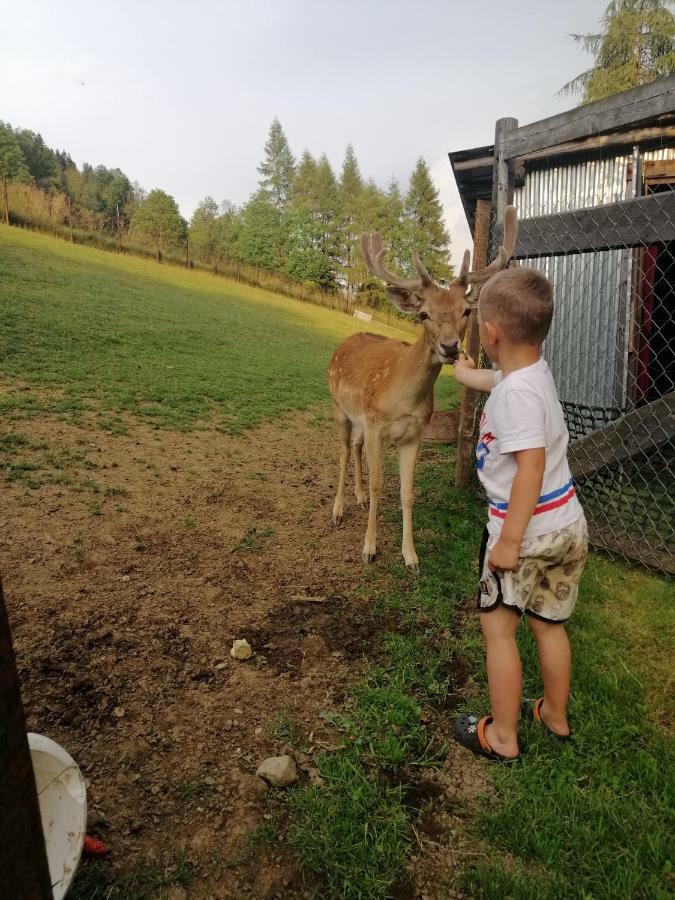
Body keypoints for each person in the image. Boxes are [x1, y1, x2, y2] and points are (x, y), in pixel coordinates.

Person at [452, 267, 587, 762]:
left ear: (491, 333)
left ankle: (503, 736)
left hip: (525, 534)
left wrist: (508, 542)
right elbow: (499, 376)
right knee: (548, 624)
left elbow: (529, 466)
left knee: (499, 631)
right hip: (566, 526)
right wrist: (467, 374)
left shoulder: (513, 397)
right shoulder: (532, 372)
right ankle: (554, 712)